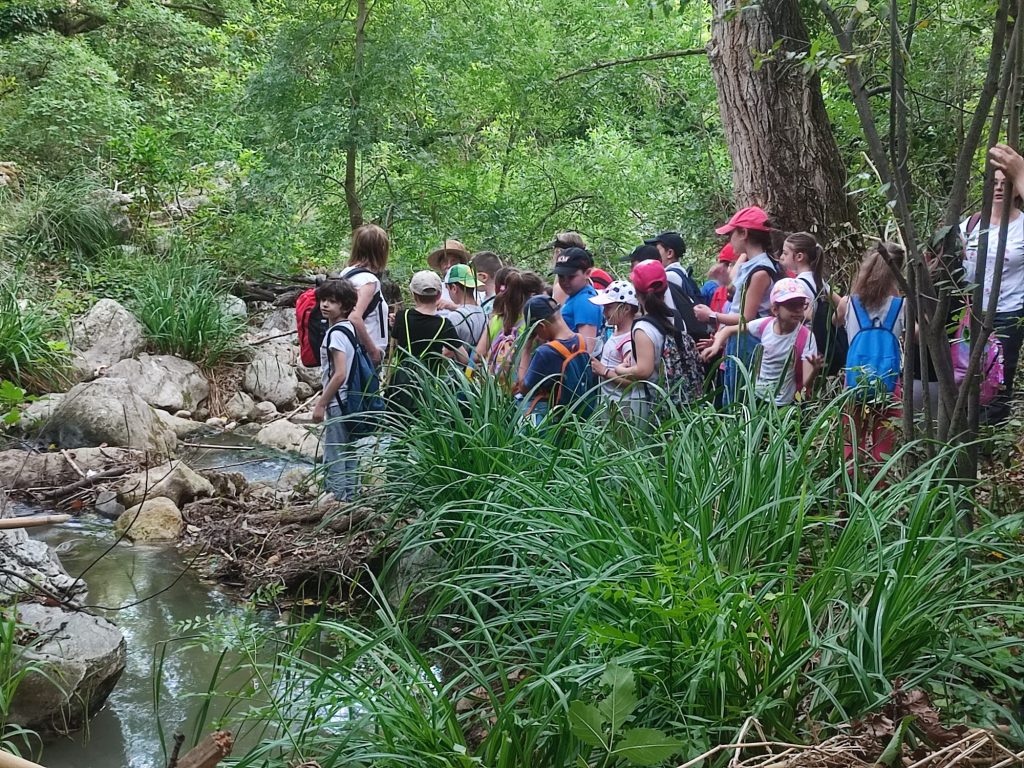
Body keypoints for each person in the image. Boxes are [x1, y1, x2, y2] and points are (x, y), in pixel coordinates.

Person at [963, 143, 1024, 424]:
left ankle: (992, 438)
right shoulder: (972, 225)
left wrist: (1021, 173)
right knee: (968, 374)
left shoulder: (1022, 226)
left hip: (1008, 313)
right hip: (971, 314)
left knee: (999, 379)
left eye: (1006, 182)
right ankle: (967, 429)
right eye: (994, 182)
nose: (1000, 188)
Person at [694, 206, 780, 405]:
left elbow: (747, 318)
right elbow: (741, 298)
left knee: (740, 401)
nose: (729, 239)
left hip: (749, 342)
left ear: (744, 233)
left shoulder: (760, 271)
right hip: (739, 339)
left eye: (732, 233)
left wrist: (712, 315)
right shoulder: (752, 266)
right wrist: (725, 282)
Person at [596, 260, 704, 415]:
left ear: (637, 293)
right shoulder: (674, 315)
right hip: (676, 396)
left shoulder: (642, 328)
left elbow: (643, 371)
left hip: (651, 402)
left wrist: (619, 369)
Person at [835, 242, 906, 466]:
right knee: (884, 443)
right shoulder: (902, 306)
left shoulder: (848, 304)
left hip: (854, 382)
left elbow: (835, 322)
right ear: (898, 272)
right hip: (888, 382)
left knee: (850, 442)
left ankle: (849, 489)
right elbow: (918, 333)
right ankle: (881, 490)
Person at [702, 278, 823, 406]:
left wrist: (814, 370)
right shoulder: (765, 325)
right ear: (775, 309)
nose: (798, 310)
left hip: (782, 404)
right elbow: (729, 330)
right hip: (756, 397)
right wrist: (716, 345)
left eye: (801, 304)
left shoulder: (806, 337)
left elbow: (805, 384)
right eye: (792, 305)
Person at [390, 270, 467, 413]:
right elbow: (463, 359)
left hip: (400, 386)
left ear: (413, 294)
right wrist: (443, 355)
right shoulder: (445, 324)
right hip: (429, 390)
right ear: (438, 295)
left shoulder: (402, 316)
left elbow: (395, 345)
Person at [311, 279, 359, 501]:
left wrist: (321, 404)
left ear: (346, 306)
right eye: (323, 300)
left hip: (338, 401)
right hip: (351, 400)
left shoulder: (336, 334)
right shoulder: (349, 329)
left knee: (335, 453)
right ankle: (351, 496)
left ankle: (337, 500)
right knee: (349, 451)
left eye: (332, 302)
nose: (325, 305)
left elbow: (339, 373)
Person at [520, 295, 596, 425]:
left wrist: (526, 350)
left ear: (542, 326)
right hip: (573, 417)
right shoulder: (580, 341)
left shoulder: (545, 353)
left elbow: (524, 388)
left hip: (548, 418)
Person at [587, 280, 645, 421]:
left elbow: (633, 383)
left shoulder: (629, 340)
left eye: (609, 307)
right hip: (610, 402)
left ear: (625, 308)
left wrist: (604, 371)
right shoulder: (616, 331)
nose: (605, 312)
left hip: (622, 405)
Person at [341, 224, 390, 367]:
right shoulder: (368, 281)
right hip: (363, 354)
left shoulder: (346, 273)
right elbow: (355, 317)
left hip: (347, 349)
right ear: (380, 251)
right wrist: (373, 351)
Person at [552, 246, 603, 343]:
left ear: (587, 273)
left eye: (571, 277)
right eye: (561, 276)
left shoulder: (585, 301)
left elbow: (586, 348)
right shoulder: (575, 296)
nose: (565, 282)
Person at [441, 263, 487, 351]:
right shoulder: (484, 313)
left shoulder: (455, 317)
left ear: (454, 288)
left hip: (459, 364)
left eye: (447, 288)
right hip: (479, 363)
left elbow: (448, 352)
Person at [427, 239, 472, 309]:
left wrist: (452, 306)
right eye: (445, 261)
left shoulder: (471, 287)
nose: (449, 265)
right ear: (440, 265)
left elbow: (478, 311)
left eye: (453, 261)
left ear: (461, 263)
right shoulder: (435, 290)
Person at [549, 231, 587, 303]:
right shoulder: (584, 278)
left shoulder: (563, 286)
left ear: (559, 252)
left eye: (555, 250)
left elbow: (559, 313)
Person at [470, 250, 503, 316]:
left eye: (471, 275)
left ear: (483, 277)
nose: (470, 279)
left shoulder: (497, 304)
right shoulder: (487, 299)